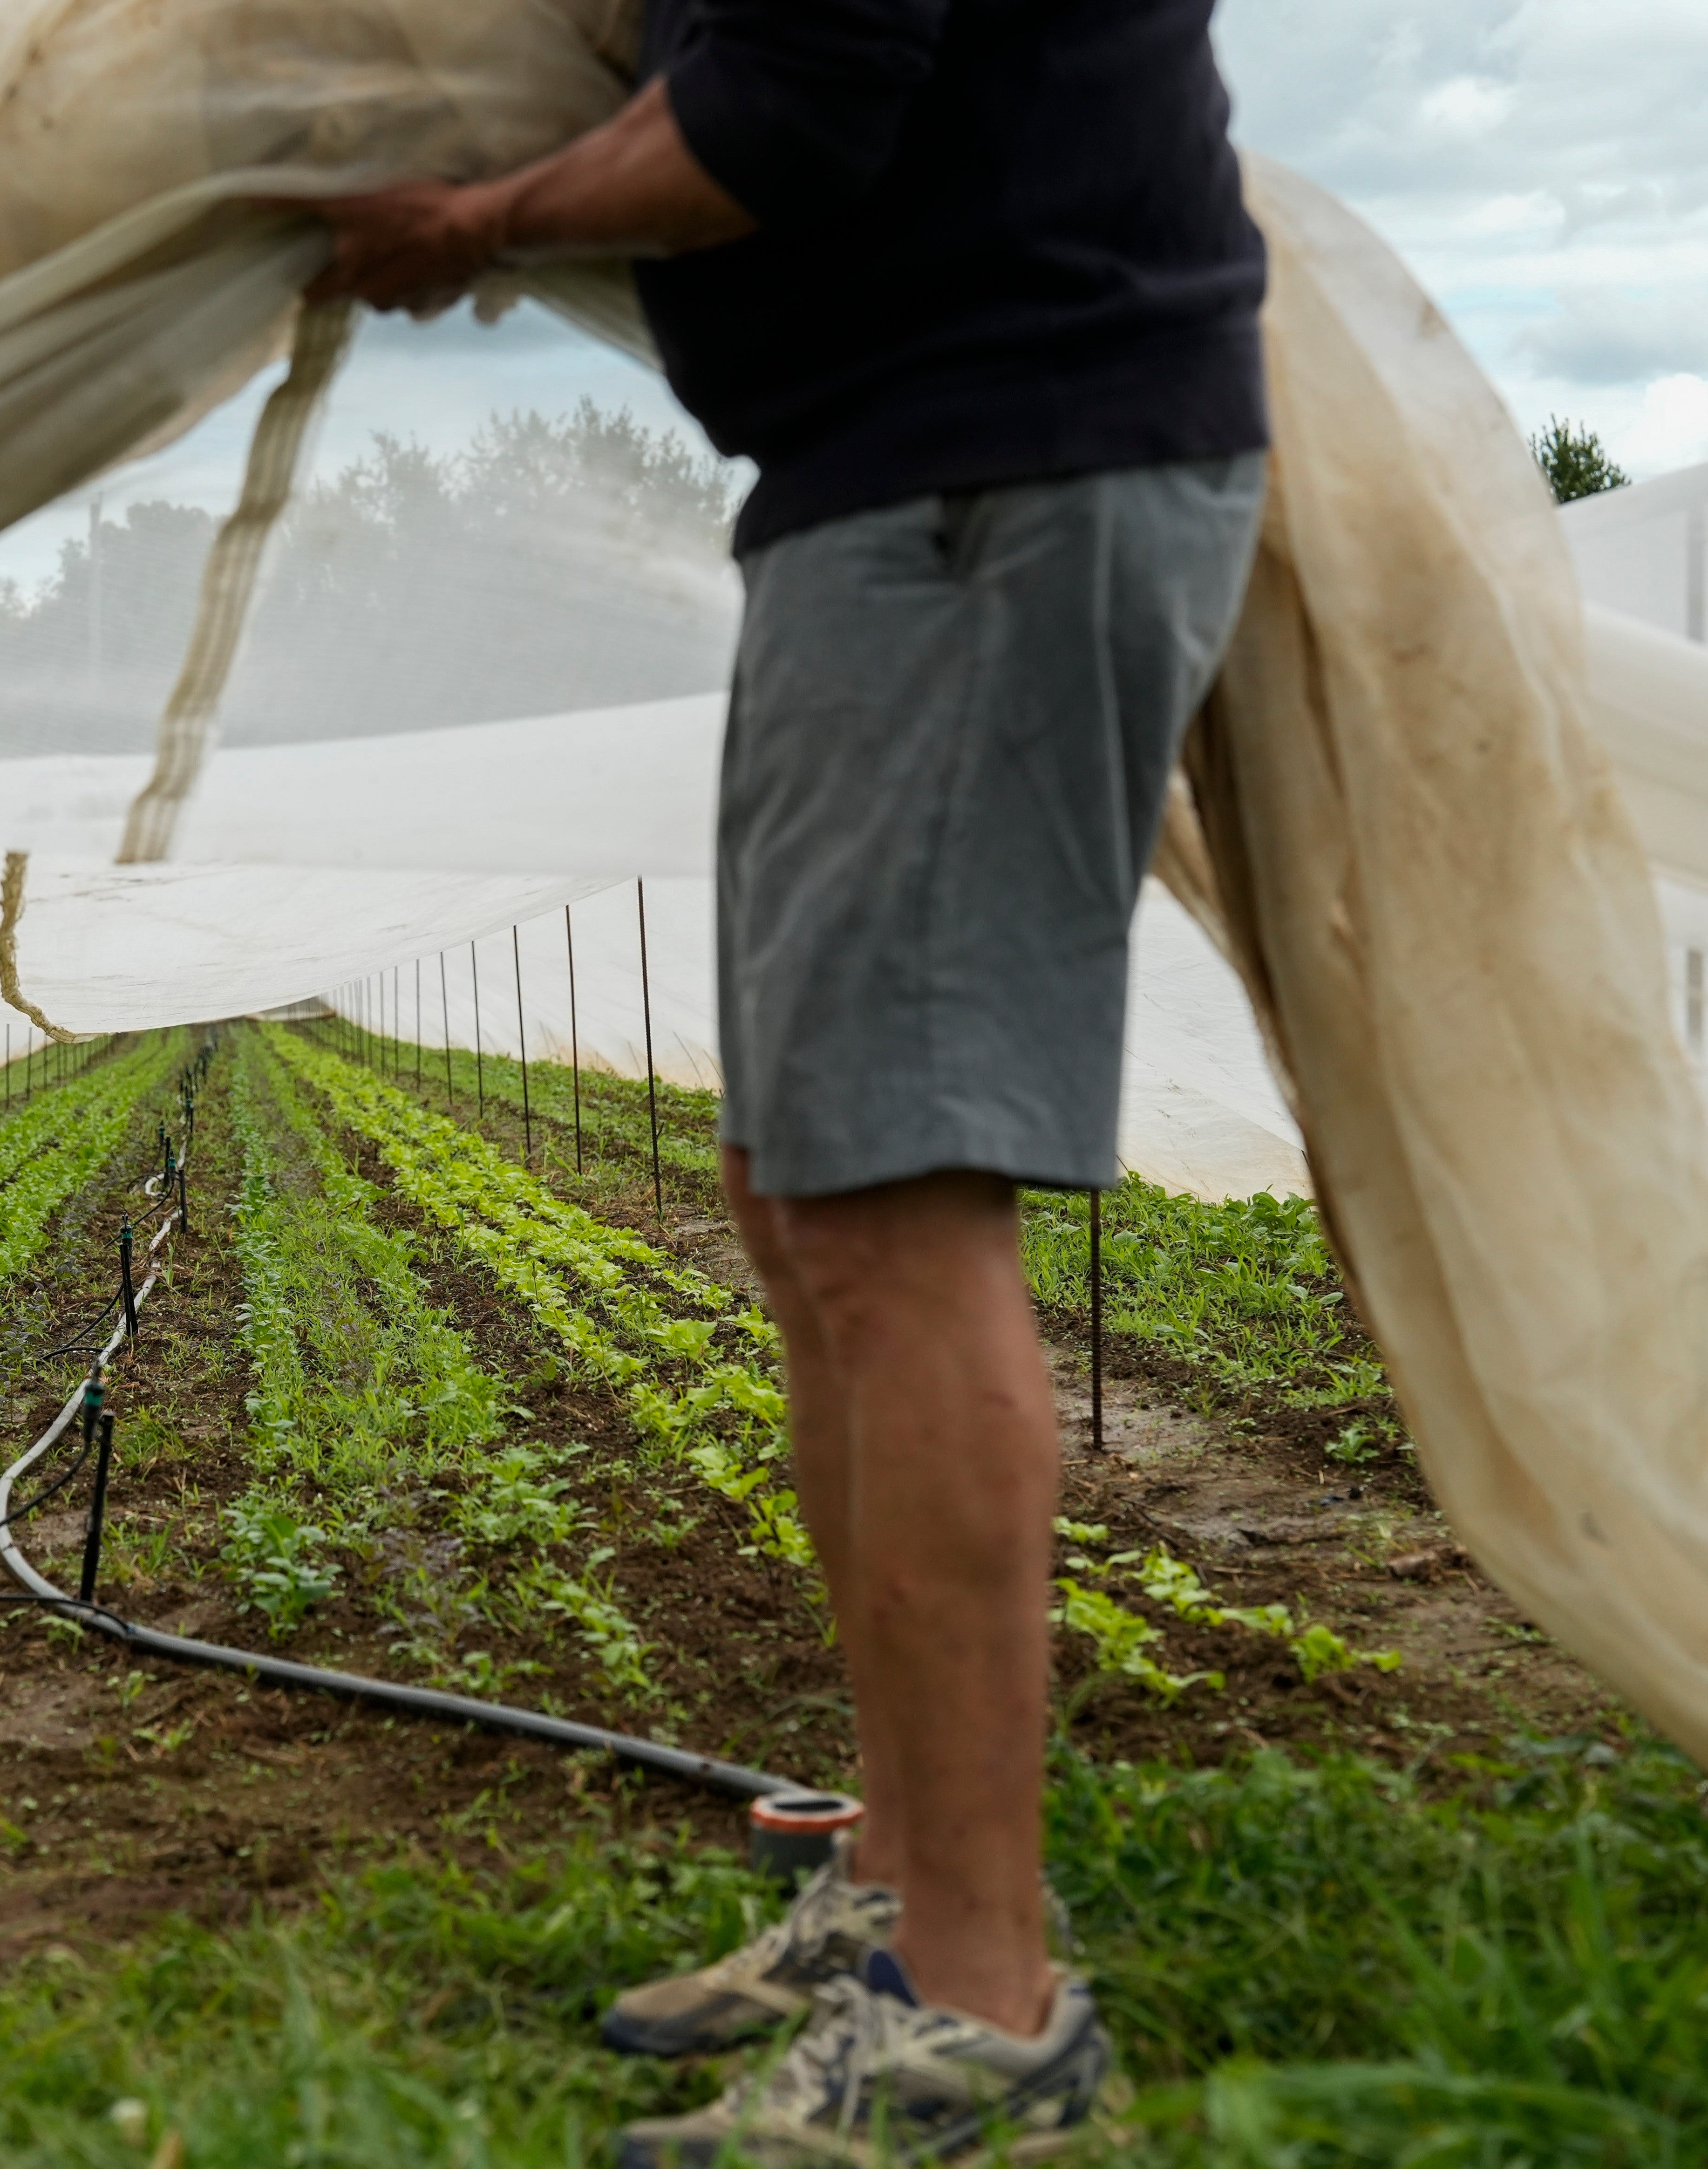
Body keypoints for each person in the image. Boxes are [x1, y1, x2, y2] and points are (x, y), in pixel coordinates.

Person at [296, 2, 1269, 2159]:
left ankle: (983, 2012)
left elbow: (797, 99)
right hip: (892, 476)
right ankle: (899, 1895)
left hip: (995, 456)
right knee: (801, 1191)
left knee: (890, 1211)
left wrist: (480, 221)